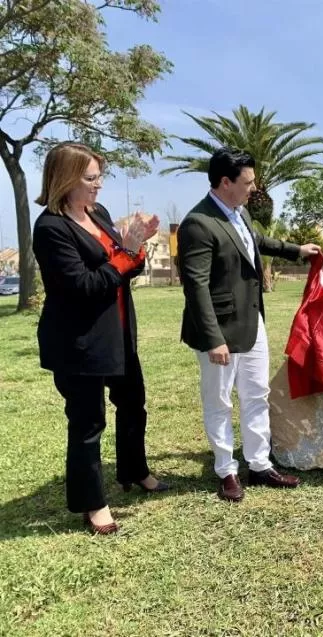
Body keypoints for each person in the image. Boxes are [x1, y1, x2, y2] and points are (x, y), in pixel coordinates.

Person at [32, 142, 168, 535]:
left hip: (118, 333)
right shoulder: (51, 228)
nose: (99, 185)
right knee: (88, 424)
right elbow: (84, 286)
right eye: (92, 178)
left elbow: (124, 270)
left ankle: (135, 471)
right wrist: (126, 251)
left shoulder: (99, 213)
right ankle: (93, 504)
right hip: (79, 342)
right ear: (67, 178)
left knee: (133, 405)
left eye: (99, 177)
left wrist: (136, 246)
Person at [177, 147, 321, 502]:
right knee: (220, 400)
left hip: (252, 322)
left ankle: (258, 464)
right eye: (248, 182)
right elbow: (195, 286)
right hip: (221, 331)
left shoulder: (239, 214)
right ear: (225, 182)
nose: (253, 188)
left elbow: (256, 243)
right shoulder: (199, 223)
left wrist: (296, 250)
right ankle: (226, 470)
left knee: (257, 394)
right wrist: (213, 339)